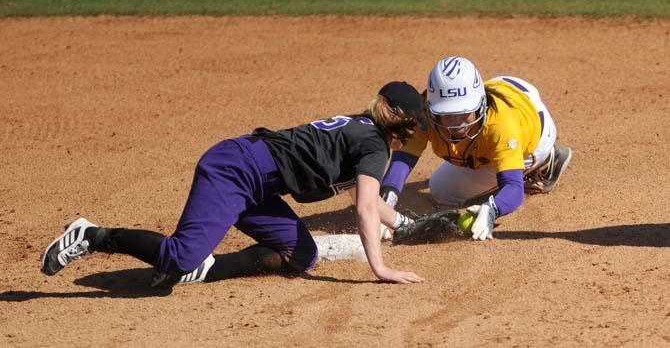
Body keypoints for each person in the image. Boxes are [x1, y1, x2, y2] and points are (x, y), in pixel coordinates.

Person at [40, 81, 426, 286]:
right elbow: (363, 209)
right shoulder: (375, 147)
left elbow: (369, 198)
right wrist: (381, 268)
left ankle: (202, 268)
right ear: (403, 125)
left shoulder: (361, 128)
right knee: (178, 253)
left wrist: (406, 225)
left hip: (258, 183)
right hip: (234, 171)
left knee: (302, 255)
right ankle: (91, 235)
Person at [380, 56, 572, 241]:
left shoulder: (500, 126)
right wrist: (385, 203)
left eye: (464, 113)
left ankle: (547, 163)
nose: (457, 124)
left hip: (536, 135)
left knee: (453, 187)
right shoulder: (425, 115)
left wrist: (492, 208)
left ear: (480, 104)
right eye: (448, 114)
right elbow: (402, 160)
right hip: (506, 89)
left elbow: (513, 187)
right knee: (441, 189)